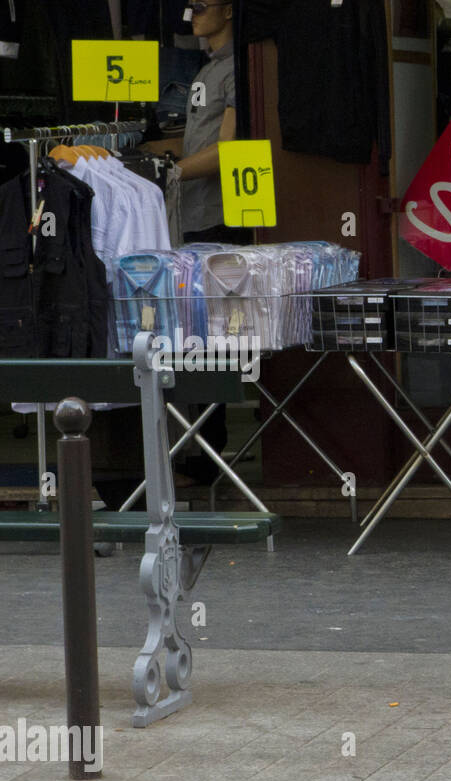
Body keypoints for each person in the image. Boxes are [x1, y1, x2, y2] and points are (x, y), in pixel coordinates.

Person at [147, 0, 243, 480]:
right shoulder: (207, 68)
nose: (190, 14)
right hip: (194, 214)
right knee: (197, 331)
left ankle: (211, 448)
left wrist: (175, 171)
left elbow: (229, 149)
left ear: (227, 9)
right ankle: (200, 444)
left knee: (219, 332)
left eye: (201, 5)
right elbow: (198, 139)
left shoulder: (238, 69)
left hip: (221, 216)